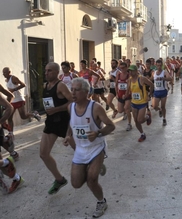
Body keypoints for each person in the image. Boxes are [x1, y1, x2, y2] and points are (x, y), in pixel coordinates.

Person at [63, 78, 115, 218]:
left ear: (86, 92)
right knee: (76, 183)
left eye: (77, 90)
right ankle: (95, 167)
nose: (73, 93)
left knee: (92, 180)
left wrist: (97, 133)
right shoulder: (70, 107)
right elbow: (71, 121)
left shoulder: (96, 107)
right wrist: (68, 135)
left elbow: (111, 126)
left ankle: (101, 202)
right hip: (80, 150)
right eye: (71, 89)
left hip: (96, 147)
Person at [41, 62, 72, 194]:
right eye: (45, 71)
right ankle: (59, 180)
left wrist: (57, 109)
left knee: (81, 151)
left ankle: (95, 164)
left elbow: (73, 101)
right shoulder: (45, 85)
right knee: (43, 154)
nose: (46, 73)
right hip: (51, 123)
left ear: (56, 72)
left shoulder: (61, 86)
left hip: (65, 122)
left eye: (49, 71)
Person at [2, 67, 41, 132]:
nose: (3, 74)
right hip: (12, 101)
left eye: (5, 72)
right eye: (3, 73)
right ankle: (11, 133)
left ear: (9, 72)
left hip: (19, 99)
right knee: (9, 118)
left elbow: (23, 84)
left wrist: (14, 89)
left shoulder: (13, 78)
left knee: (23, 116)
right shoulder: (6, 80)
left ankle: (34, 114)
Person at [126, 65, 154, 142]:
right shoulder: (129, 80)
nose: (130, 72)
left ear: (136, 71)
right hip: (134, 103)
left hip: (142, 103)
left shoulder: (141, 78)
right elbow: (128, 90)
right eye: (129, 71)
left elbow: (151, 84)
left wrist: (149, 95)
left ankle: (147, 117)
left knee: (140, 120)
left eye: (131, 71)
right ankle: (142, 134)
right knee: (136, 121)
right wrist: (125, 95)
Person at [152, 59, 172, 126]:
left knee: (163, 106)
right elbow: (150, 80)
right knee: (154, 106)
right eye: (158, 65)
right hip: (156, 91)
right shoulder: (154, 73)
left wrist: (164, 78)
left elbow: (170, 78)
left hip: (163, 91)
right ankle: (159, 110)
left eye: (160, 65)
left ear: (162, 65)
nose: (159, 67)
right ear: (156, 65)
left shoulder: (164, 72)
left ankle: (164, 119)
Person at [115, 61, 133, 130]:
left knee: (126, 108)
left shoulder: (129, 76)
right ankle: (126, 111)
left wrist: (126, 94)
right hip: (120, 95)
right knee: (120, 110)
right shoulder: (118, 75)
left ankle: (129, 124)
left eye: (123, 68)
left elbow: (129, 86)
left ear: (126, 68)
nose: (122, 69)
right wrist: (116, 93)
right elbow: (116, 84)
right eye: (120, 68)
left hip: (127, 95)